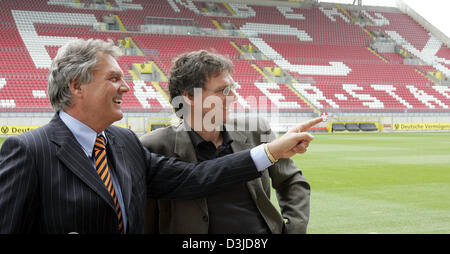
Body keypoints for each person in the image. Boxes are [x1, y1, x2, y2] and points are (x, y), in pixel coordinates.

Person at [0, 39, 320, 234]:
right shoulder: (28, 150)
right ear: (75, 86)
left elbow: (196, 178)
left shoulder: (124, 144)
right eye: (114, 78)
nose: (126, 87)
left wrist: (271, 152)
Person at [140, 50, 321, 234]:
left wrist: (294, 229)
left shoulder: (256, 130)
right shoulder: (154, 146)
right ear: (189, 96)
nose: (234, 97)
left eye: (232, 89)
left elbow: (291, 180)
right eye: (223, 90)